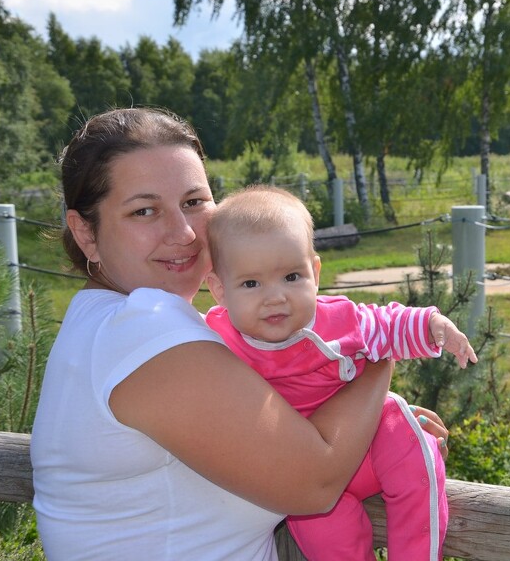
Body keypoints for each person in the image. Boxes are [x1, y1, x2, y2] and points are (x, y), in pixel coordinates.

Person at [29, 107, 449, 561]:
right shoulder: (143, 328)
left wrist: (365, 421)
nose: (184, 232)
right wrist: (371, 354)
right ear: (85, 232)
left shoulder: (101, 322)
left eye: (194, 202)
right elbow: (315, 483)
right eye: (144, 211)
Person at [203, 185, 478, 561]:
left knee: (404, 440)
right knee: (321, 530)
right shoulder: (216, 342)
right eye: (251, 283)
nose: (275, 296)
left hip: (368, 444)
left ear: (314, 272)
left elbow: (390, 324)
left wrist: (434, 325)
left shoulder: (339, 320)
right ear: (219, 289)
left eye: (291, 277)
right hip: (311, 478)